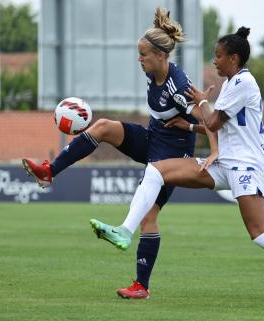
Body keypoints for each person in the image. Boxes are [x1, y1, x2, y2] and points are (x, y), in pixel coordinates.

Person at [90, 27, 264, 302]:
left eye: (218, 56)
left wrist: (202, 101)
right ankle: (124, 231)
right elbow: (220, 127)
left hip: (244, 167)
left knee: (260, 234)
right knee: (156, 169)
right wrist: (189, 127)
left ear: (234, 59)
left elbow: (213, 121)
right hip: (223, 162)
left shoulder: (244, 83)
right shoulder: (232, 84)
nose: (214, 61)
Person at [22, 7, 213, 299]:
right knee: (104, 127)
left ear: (161, 56)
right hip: (152, 139)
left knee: (149, 217)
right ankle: (49, 172)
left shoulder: (179, 86)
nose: (140, 59)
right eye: (139, 53)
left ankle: (141, 286)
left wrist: (207, 145)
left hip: (172, 158)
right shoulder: (154, 73)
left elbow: (210, 121)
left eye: (144, 54)